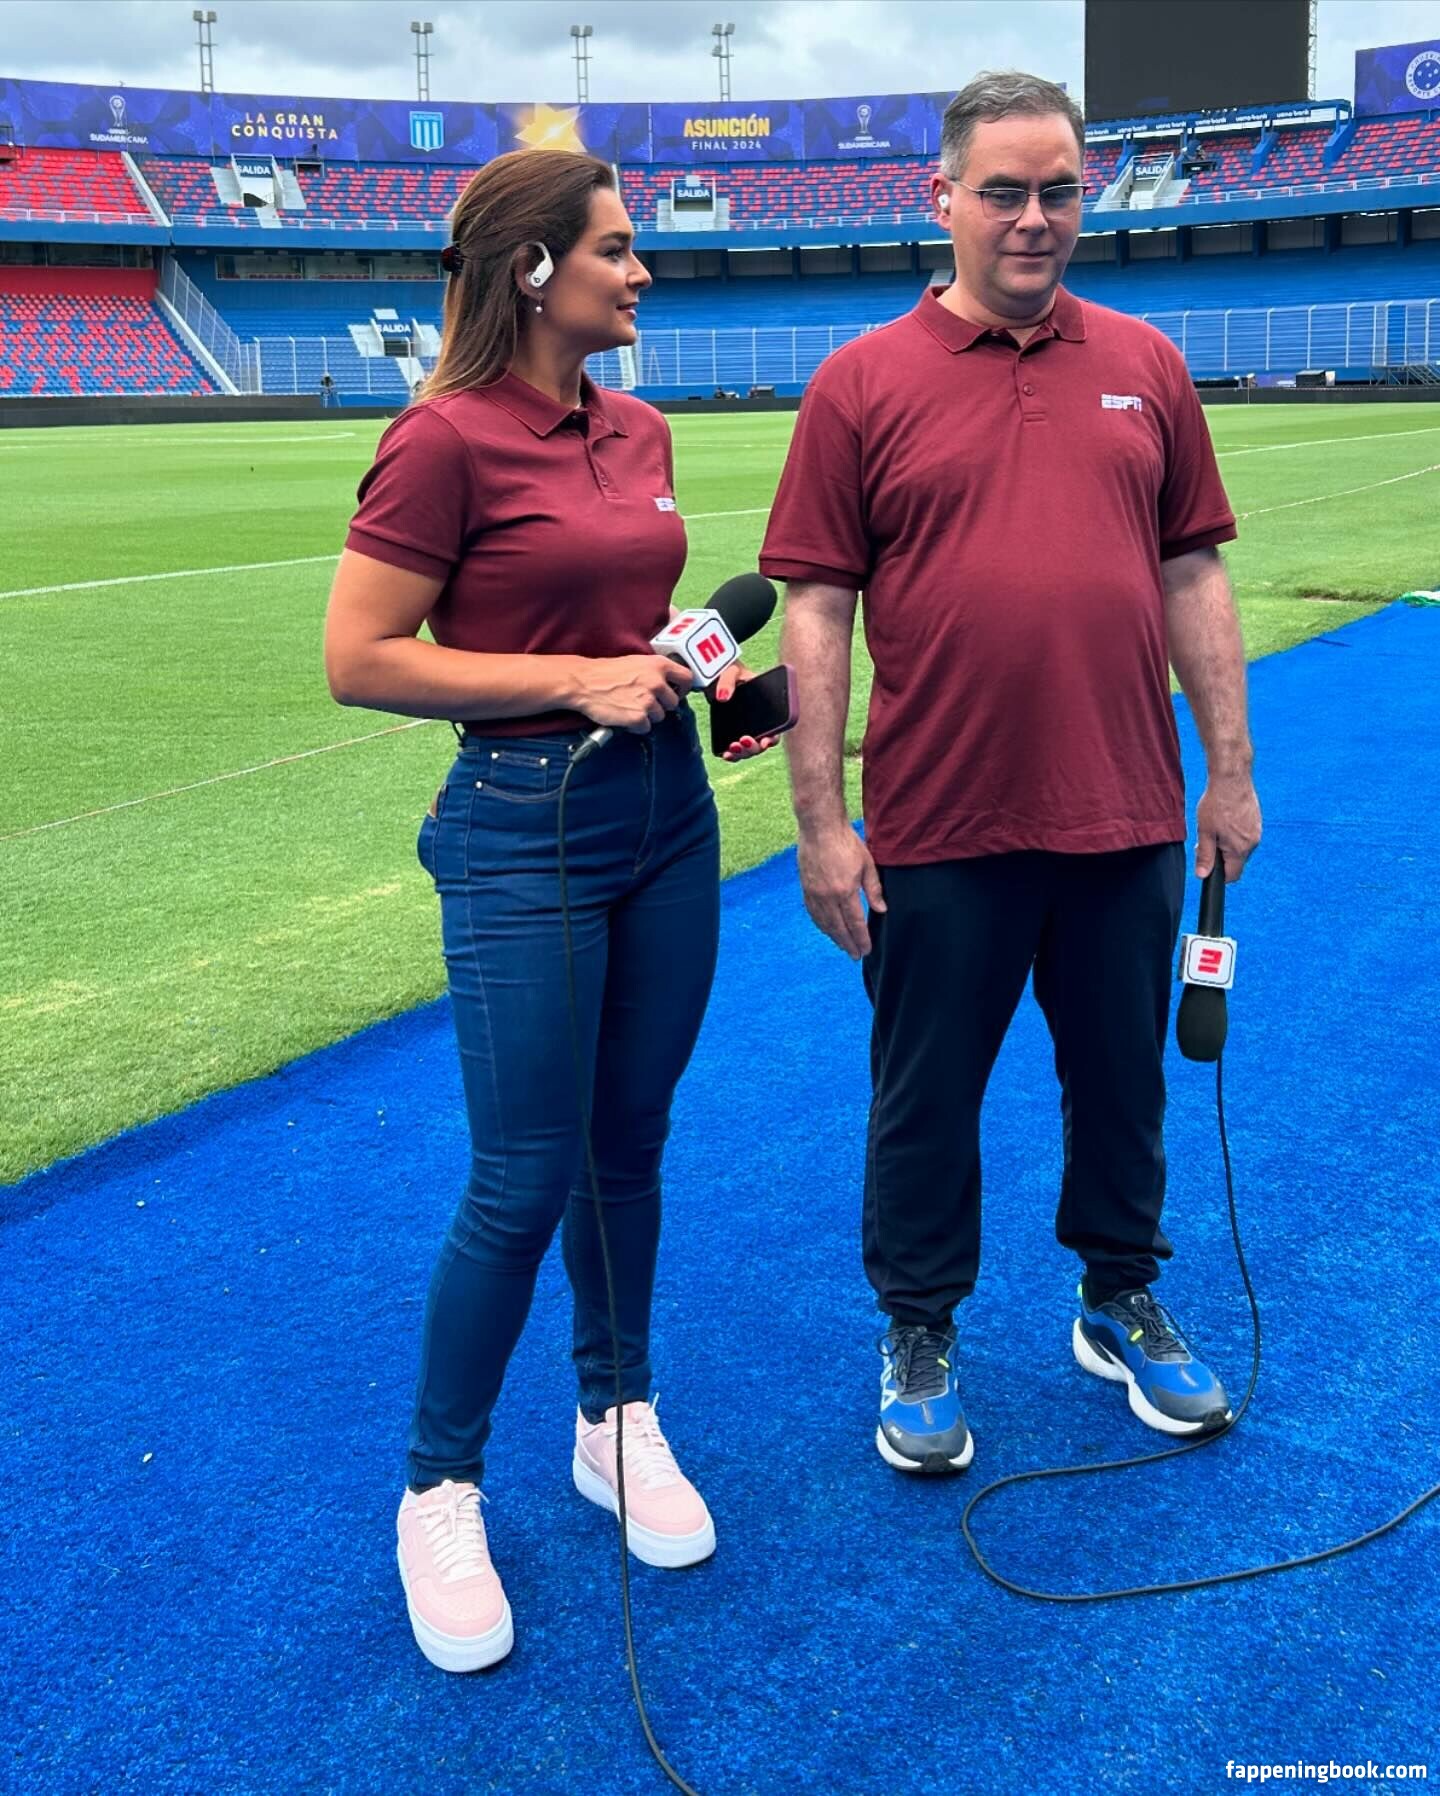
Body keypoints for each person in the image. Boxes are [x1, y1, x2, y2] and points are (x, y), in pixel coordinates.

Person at [758, 71, 1262, 1477]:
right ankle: (919, 1328)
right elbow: (816, 611)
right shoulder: (862, 383)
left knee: (1123, 1085)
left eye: (1059, 192)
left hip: (1124, 810)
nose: (1034, 218)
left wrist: (1228, 772)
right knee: (926, 1096)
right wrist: (820, 823)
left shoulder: (1147, 365)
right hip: (940, 820)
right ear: (944, 199)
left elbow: (1194, 574)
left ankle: (1120, 1298)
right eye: (1004, 192)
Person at [324, 149, 776, 1672]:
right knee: (522, 1175)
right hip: (523, 828)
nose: (643, 273)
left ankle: (614, 1416)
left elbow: (625, 619)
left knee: (626, 1142)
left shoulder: (639, 426)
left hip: (667, 815)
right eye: (617, 249)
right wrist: (575, 680)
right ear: (533, 269)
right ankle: (437, 1490)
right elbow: (362, 657)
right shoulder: (440, 440)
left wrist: (701, 669)